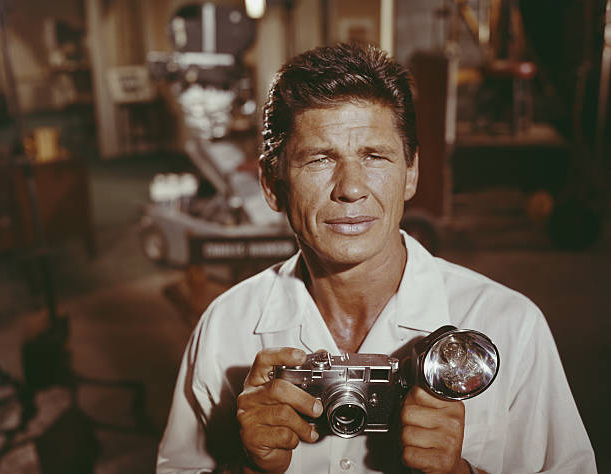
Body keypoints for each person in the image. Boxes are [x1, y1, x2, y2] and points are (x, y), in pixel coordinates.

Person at [157, 43, 596, 473]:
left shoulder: (510, 326)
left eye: (374, 156)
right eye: (319, 159)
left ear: (411, 173)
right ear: (272, 186)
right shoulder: (226, 328)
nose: (351, 188)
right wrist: (249, 469)